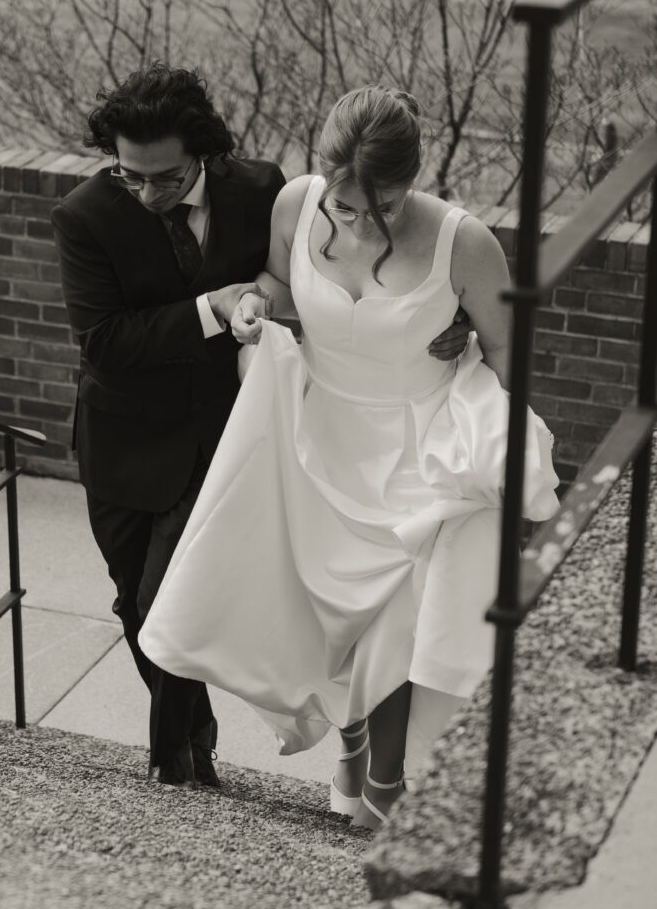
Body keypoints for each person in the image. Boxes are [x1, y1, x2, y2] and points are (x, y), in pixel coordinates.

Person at [138, 85, 559, 824]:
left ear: (415, 179)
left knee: (394, 623)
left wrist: (487, 432)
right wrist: (253, 305)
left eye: (385, 207)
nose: (363, 222)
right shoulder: (294, 204)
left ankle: (382, 783)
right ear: (321, 178)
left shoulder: (465, 243)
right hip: (316, 439)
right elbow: (280, 284)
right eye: (346, 207)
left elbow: (509, 355)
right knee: (331, 622)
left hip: (418, 448)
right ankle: (353, 752)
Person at [52, 65, 470, 790]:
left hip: (229, 433)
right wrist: (215, 307)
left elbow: (323, 275)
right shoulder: (85, 215)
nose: (148, 194)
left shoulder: (261, 190)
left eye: (167, 178)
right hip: (123, 443)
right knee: (134, 601)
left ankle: (177, 767)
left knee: (166, 600)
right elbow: (105, 343)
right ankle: (190, 740)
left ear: (205, 153)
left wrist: (446, 313)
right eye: (131, 177)